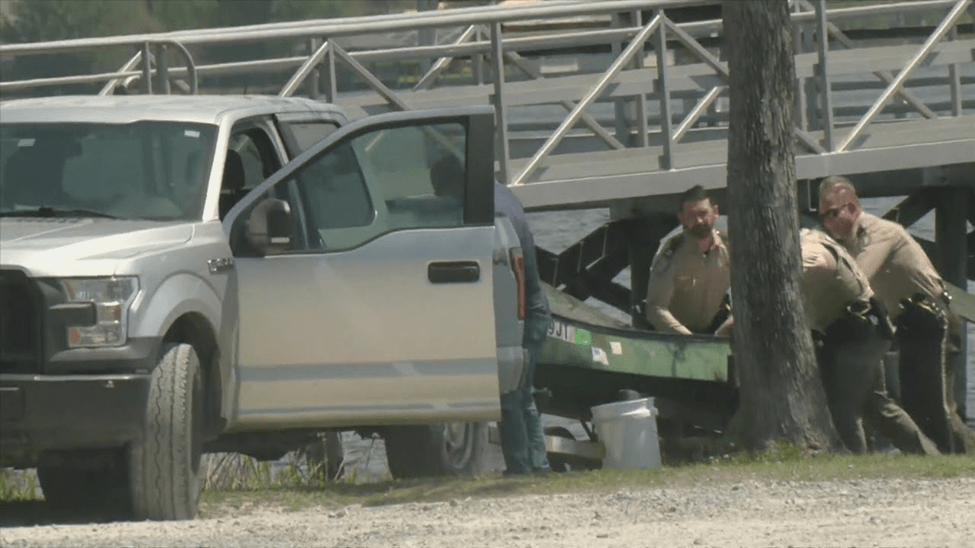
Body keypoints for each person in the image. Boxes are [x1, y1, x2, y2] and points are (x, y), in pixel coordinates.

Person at [818, 175, 974, 454]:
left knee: (940, 410)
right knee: (915, 405)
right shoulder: (846, 243)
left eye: (834, 213)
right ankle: (939, 460)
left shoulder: (882, 234)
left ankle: (962, 460)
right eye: (823, 217)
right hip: (907, 323)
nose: (828, 223)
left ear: (853, 209)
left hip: (934, 318)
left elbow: (857, 281)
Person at [800, 228, 940, 455]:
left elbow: (819, 264)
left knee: (841, 409)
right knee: (877, 406)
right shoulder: (815, 238)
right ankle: (928, 455)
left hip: (855, 332)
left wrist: (773, 278)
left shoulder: (807, 243)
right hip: (869, 327)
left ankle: (851, 463)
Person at [494, 179, 552, 476]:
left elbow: (513, 271)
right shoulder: (505, 196)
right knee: (524, 395)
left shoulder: (494, 213)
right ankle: (538, 466)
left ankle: (519, 466)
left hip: (525, 311)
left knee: (510, 395)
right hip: (537, 306)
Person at [645, 185, 733, 336]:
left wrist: (726, 329)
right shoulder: (671, 254)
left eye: (703, 213)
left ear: (715, 212)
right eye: (692, 216)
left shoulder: (730, 248)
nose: (699, 221)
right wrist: (687, 339)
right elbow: (655, 308)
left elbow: (750, 296)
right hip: (677, 336)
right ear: (682, 219)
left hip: (717, 332)